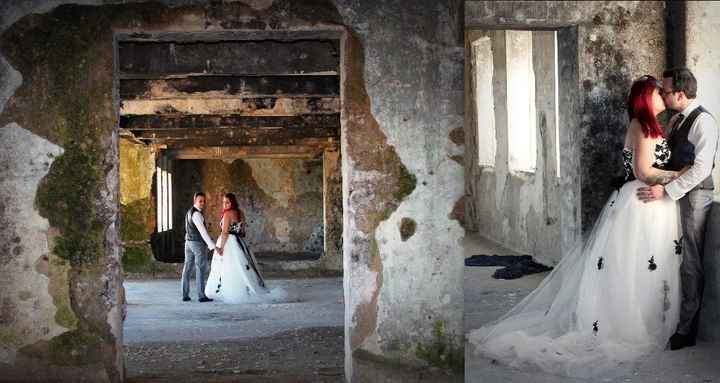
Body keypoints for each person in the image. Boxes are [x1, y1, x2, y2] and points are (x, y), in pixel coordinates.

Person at [469, 75, 684, 378]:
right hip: (641, 202)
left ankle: (645, 320)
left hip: (650, 205)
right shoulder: (640, 125)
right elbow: (642, 171)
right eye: (658, 92)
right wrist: (680, 176)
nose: (664, 95)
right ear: (646, 98)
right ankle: (626, 326)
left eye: (665, 91)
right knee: (631, 268)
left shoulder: (655, 126)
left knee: (644, 267)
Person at [637, 67, 718, 350]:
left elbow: (701, 169)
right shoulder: (674, 122)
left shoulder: (703, 121)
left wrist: (666, 190)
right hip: (674, 192)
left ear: (680, 94)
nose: (662, 94)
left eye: (666, 91)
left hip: (695, 196)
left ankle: (686, 329)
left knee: (691, 262)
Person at [205, 193, 286, 303]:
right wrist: (236, 234)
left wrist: (221, 247)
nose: (224, 205)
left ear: (232, 202)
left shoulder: (228, 214)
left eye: (227, 202)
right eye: (223, 202)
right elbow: (243, 231)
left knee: (229, 267)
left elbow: (225, 233)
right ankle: (247, 289)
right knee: (242, 266)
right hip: (239, 242)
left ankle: (231, 291)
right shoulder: (240, 213)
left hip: (228, 242)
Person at [181, 192, 216, 302]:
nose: (202, 203)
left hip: (188, 242)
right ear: (195, 200)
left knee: (187, 269)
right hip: (197, 244)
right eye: (200, 201)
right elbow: (203, 232)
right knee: (200, 269)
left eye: (204, 201)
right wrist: (212, 246)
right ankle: (201, 296)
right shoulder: (197, 214)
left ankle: (185, 295)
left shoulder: (189, 212)